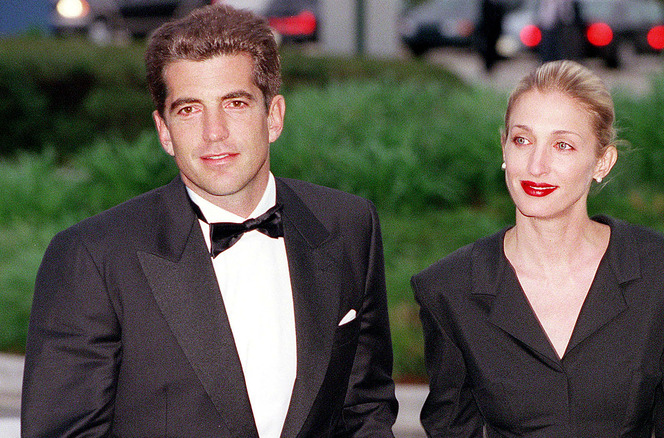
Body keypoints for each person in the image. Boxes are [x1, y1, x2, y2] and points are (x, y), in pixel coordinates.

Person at [22, 5, 397, 437]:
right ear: (164, 131)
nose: (213, 132)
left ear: (273, 116)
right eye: (189, 110)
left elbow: (366, 407)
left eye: (235, 103)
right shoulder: (93, 257)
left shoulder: (348, 225)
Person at [411, 60, 664, 437]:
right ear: (504, 147)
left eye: (563, 145)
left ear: (602, 162)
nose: (537, 165)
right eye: (522, 140)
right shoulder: (449, 289)